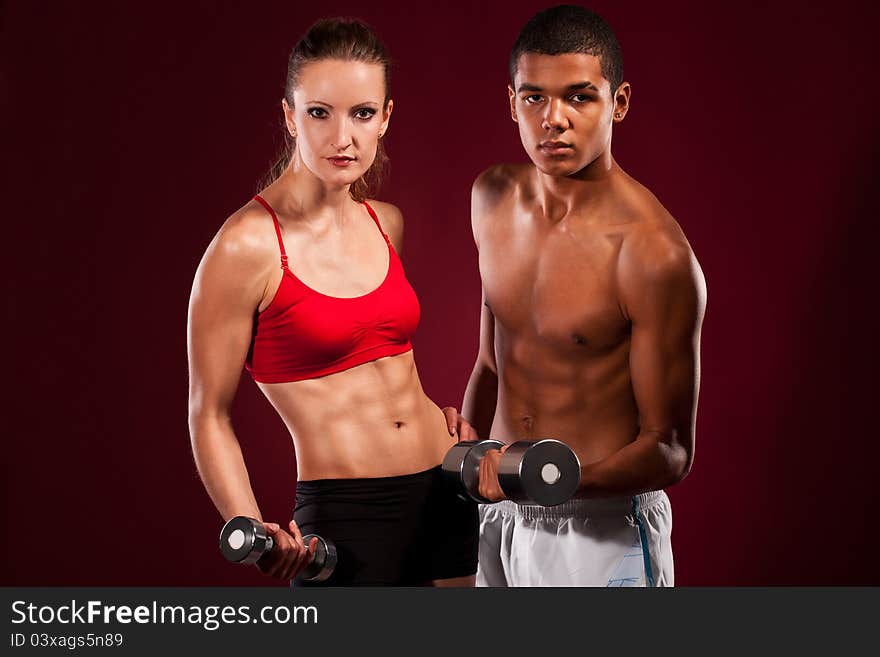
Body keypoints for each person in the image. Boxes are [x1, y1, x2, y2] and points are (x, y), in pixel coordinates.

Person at [187, 18, 477, 586]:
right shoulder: (246, 245)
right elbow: (208, 413)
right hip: (348, 514)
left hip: (447, 489)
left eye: (362, 114)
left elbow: (382, 361)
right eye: (319, 112)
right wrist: (248, 526)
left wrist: (431, 418)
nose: (341, 137)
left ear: (385, 118)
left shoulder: (384, 222)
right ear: (289, 116)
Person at [462, 5, 707, 587]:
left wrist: (546, 478)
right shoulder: (492, 197)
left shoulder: (652, 253)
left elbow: (669, 450)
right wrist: (470, 457)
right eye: (534, 98)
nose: (554, 120)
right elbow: (491, 361)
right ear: (511, 102)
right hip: (496, 518)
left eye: (579, 97)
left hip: (599, 530)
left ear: (617, 102)